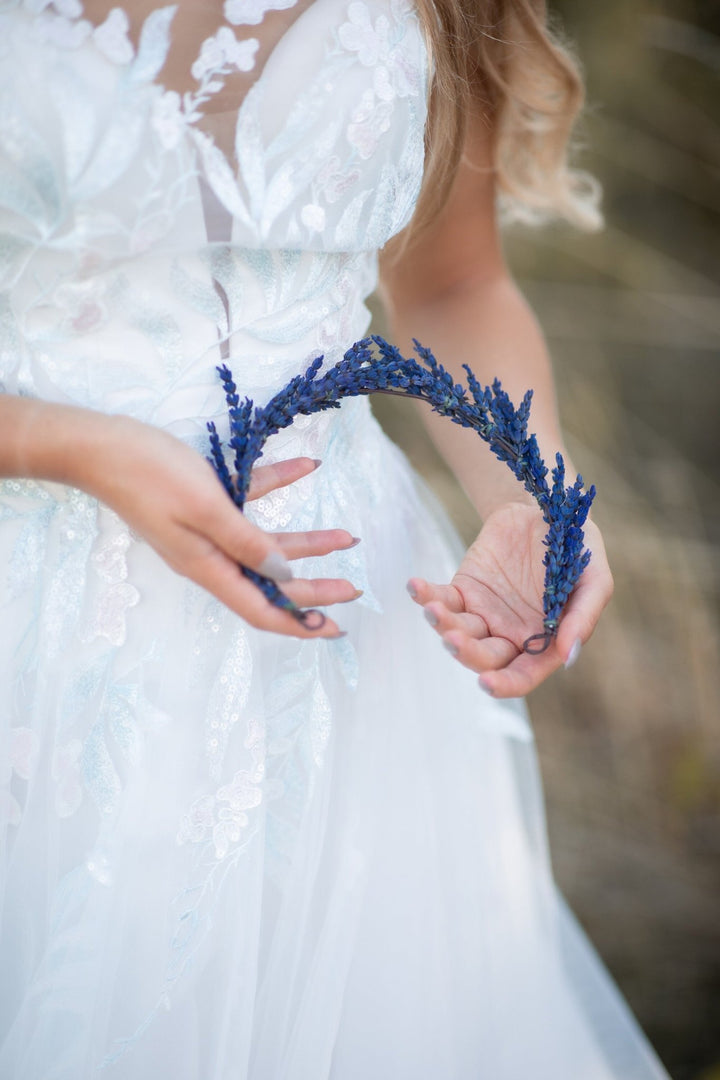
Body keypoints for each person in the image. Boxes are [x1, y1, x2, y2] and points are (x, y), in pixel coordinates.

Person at [0, 1, 669, 1077]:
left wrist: (537, 490)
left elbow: (453, 281)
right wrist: (77, 447)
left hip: (358, 640)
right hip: (33, 644)